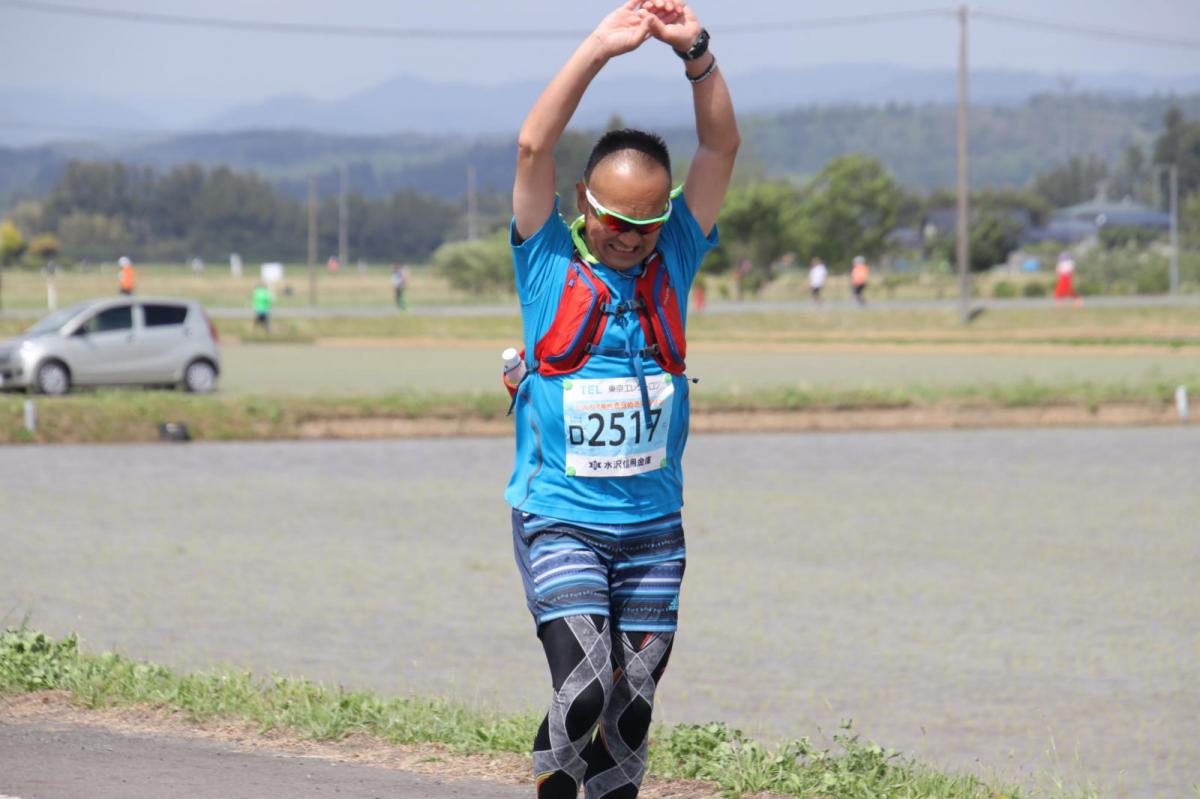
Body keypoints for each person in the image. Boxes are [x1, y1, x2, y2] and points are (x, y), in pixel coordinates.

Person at [507, 2, 738, 796]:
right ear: (583, 203)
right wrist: (600, 49)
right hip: (561, 515)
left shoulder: (673, 257)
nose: (629, 238)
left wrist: (696, 54)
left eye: (645, 223)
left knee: (633, 705)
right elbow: (533, 143)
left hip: (653, 528)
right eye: (613, 221)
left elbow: (719, 146)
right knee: (584, 693)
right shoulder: (545, 264)